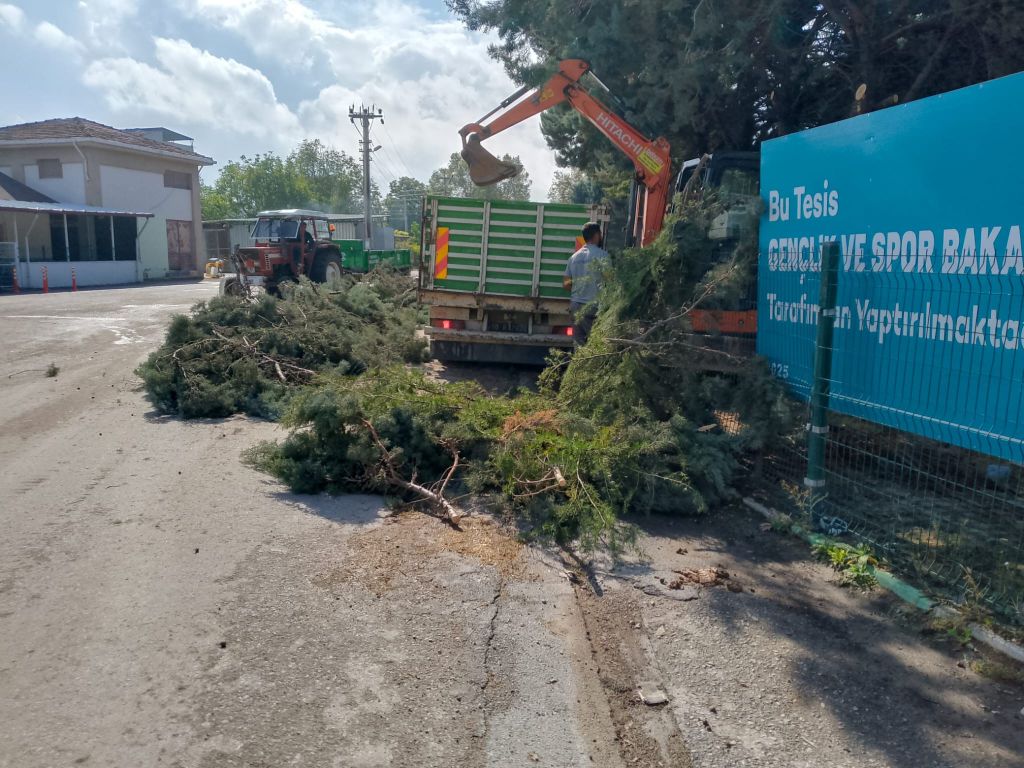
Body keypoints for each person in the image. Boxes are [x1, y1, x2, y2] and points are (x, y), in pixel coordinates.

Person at [563, 222, 609, 346]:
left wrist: (579, 288)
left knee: (579, 346)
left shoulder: (573, 258)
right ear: (597, 235)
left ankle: (578, 365)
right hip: (593, 307)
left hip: (576, 306)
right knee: (595, 345)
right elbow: (610, 280)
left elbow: (566, 284)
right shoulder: (603, 256)